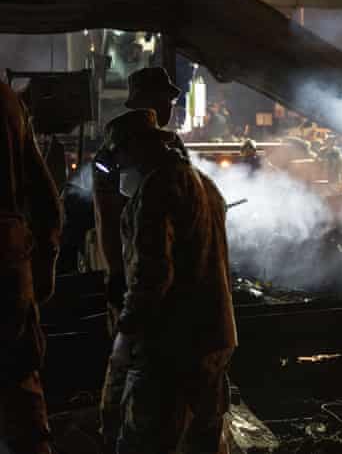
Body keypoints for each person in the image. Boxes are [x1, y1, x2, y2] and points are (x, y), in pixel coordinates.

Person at [102, 109, 237, 454]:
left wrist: (126, 333)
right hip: (214, 335)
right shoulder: (204, 184)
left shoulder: (157, 187)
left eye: (118, 156)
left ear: (134, 148)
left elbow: (153, 272)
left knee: (144, 442)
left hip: (170, 346)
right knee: (201, 442)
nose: (118, 166)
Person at [93, 66, 187, 451]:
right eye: (163, 100)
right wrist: (117, 271)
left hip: (152, 273)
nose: (168, 106)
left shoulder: (166, 148)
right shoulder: (118, 153)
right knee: (137, 364)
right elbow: (109, 215)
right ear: (147, 102)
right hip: (136, 272)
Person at [0, 80, 62, 454]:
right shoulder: (7, 100)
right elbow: (46, 201)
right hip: (9, 264)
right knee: (20, 394)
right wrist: (41, 273)